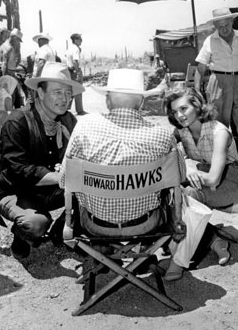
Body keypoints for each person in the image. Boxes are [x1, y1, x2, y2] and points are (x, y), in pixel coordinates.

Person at [59, 68, 188, 280]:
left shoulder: (84, 127)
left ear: (108, 101)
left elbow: (65, 181)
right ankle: (143, 255)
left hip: (95, 225)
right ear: (141, 103)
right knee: (164, 196)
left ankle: (105, 255)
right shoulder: (162, 135)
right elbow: (180, 176)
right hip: (146, 224)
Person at [0, 62, 84, 259]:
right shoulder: (17, 122)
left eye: (68, 93)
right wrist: (61, 177)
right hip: (17, 191)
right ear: (40, 93)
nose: (65, 99)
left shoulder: (69, 121)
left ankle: (60, 231)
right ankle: (21, 235)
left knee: (91, 192)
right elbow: (19, 170)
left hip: (53, 189)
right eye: (57, 92)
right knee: (35, 224)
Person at [164, 88, 238, 279]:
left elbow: (213, 179)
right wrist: (187, 168)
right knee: (169, 194)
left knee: (186, 196)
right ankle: (214, 240)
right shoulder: (181, 130)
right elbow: (166, 156)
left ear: (197, 106)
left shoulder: (219, 131)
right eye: (174, 111)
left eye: (184, 108)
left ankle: (178, 261)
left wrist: (184, 173)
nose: (179, 115)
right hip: (201, 178)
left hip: (228, 184)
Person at [195, 8, 238, 177]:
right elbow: (201, 67)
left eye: (227, 24)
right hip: (218, 82)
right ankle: (220, 166)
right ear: (216, 25)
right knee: (217, 125)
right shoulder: (210, 40)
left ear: (232, 22)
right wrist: (196, 90)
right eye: (220, 25)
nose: (224, 28)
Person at [66, 33, 87, 115]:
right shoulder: (76, 49)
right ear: (75, 40)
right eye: (79, 39)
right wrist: (77, 72)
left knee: (70, 90)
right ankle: (80, 110)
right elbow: (75, 61)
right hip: (74, 70)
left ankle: (66, 108)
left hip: (69, 71)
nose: (81, 40)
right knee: (78, 89)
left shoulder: (69, 48)